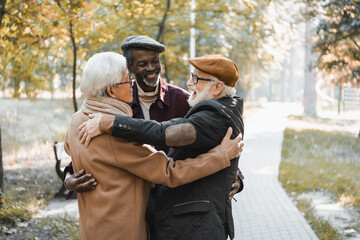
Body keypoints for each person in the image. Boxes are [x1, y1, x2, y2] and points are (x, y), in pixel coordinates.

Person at [64, 36, 244, 238]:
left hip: (174, 210)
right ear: (129, 69)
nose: (151, 68)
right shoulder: (115, 117)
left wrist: (234, 174)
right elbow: (88, 158)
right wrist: (68, 178)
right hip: (132, 219)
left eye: (155, 61)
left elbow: (210, 134)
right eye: (141, 65)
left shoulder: (184, 100)